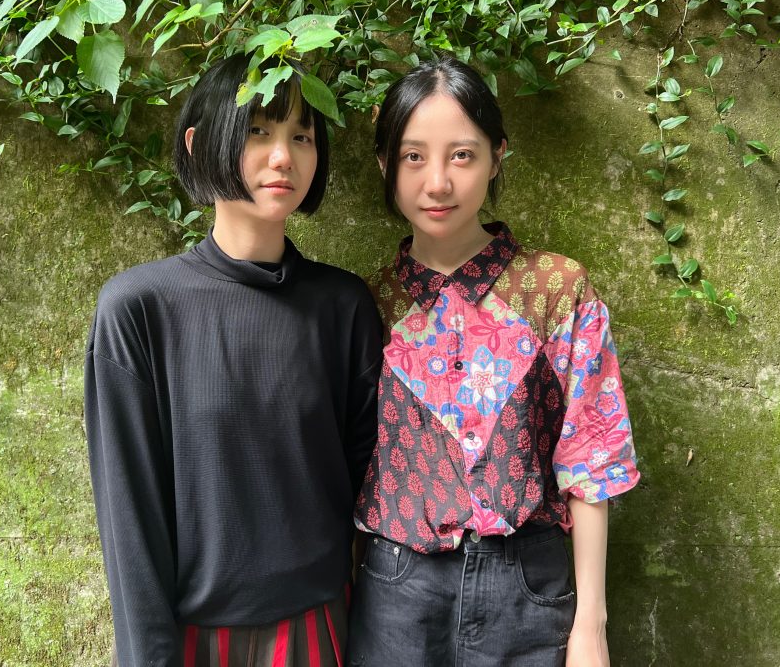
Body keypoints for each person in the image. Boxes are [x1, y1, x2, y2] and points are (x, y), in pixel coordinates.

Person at [84, 53, 382, 667]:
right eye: (258, 132)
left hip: (319, 630)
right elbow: (129, 515)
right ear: (199, 145)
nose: (283, 156)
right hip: (193, 639)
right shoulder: (139, 309)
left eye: (302, 136)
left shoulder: (343, 306)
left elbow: (369, 488)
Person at [345, 56, 640, 667]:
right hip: (395, 589)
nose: (437, 183)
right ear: (384, 163)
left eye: (462, 155)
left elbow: (592, 457)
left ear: (497, 156)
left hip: (527, 586)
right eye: (413, 156)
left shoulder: (557, 289)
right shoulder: (365, 304)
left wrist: (591, 624)